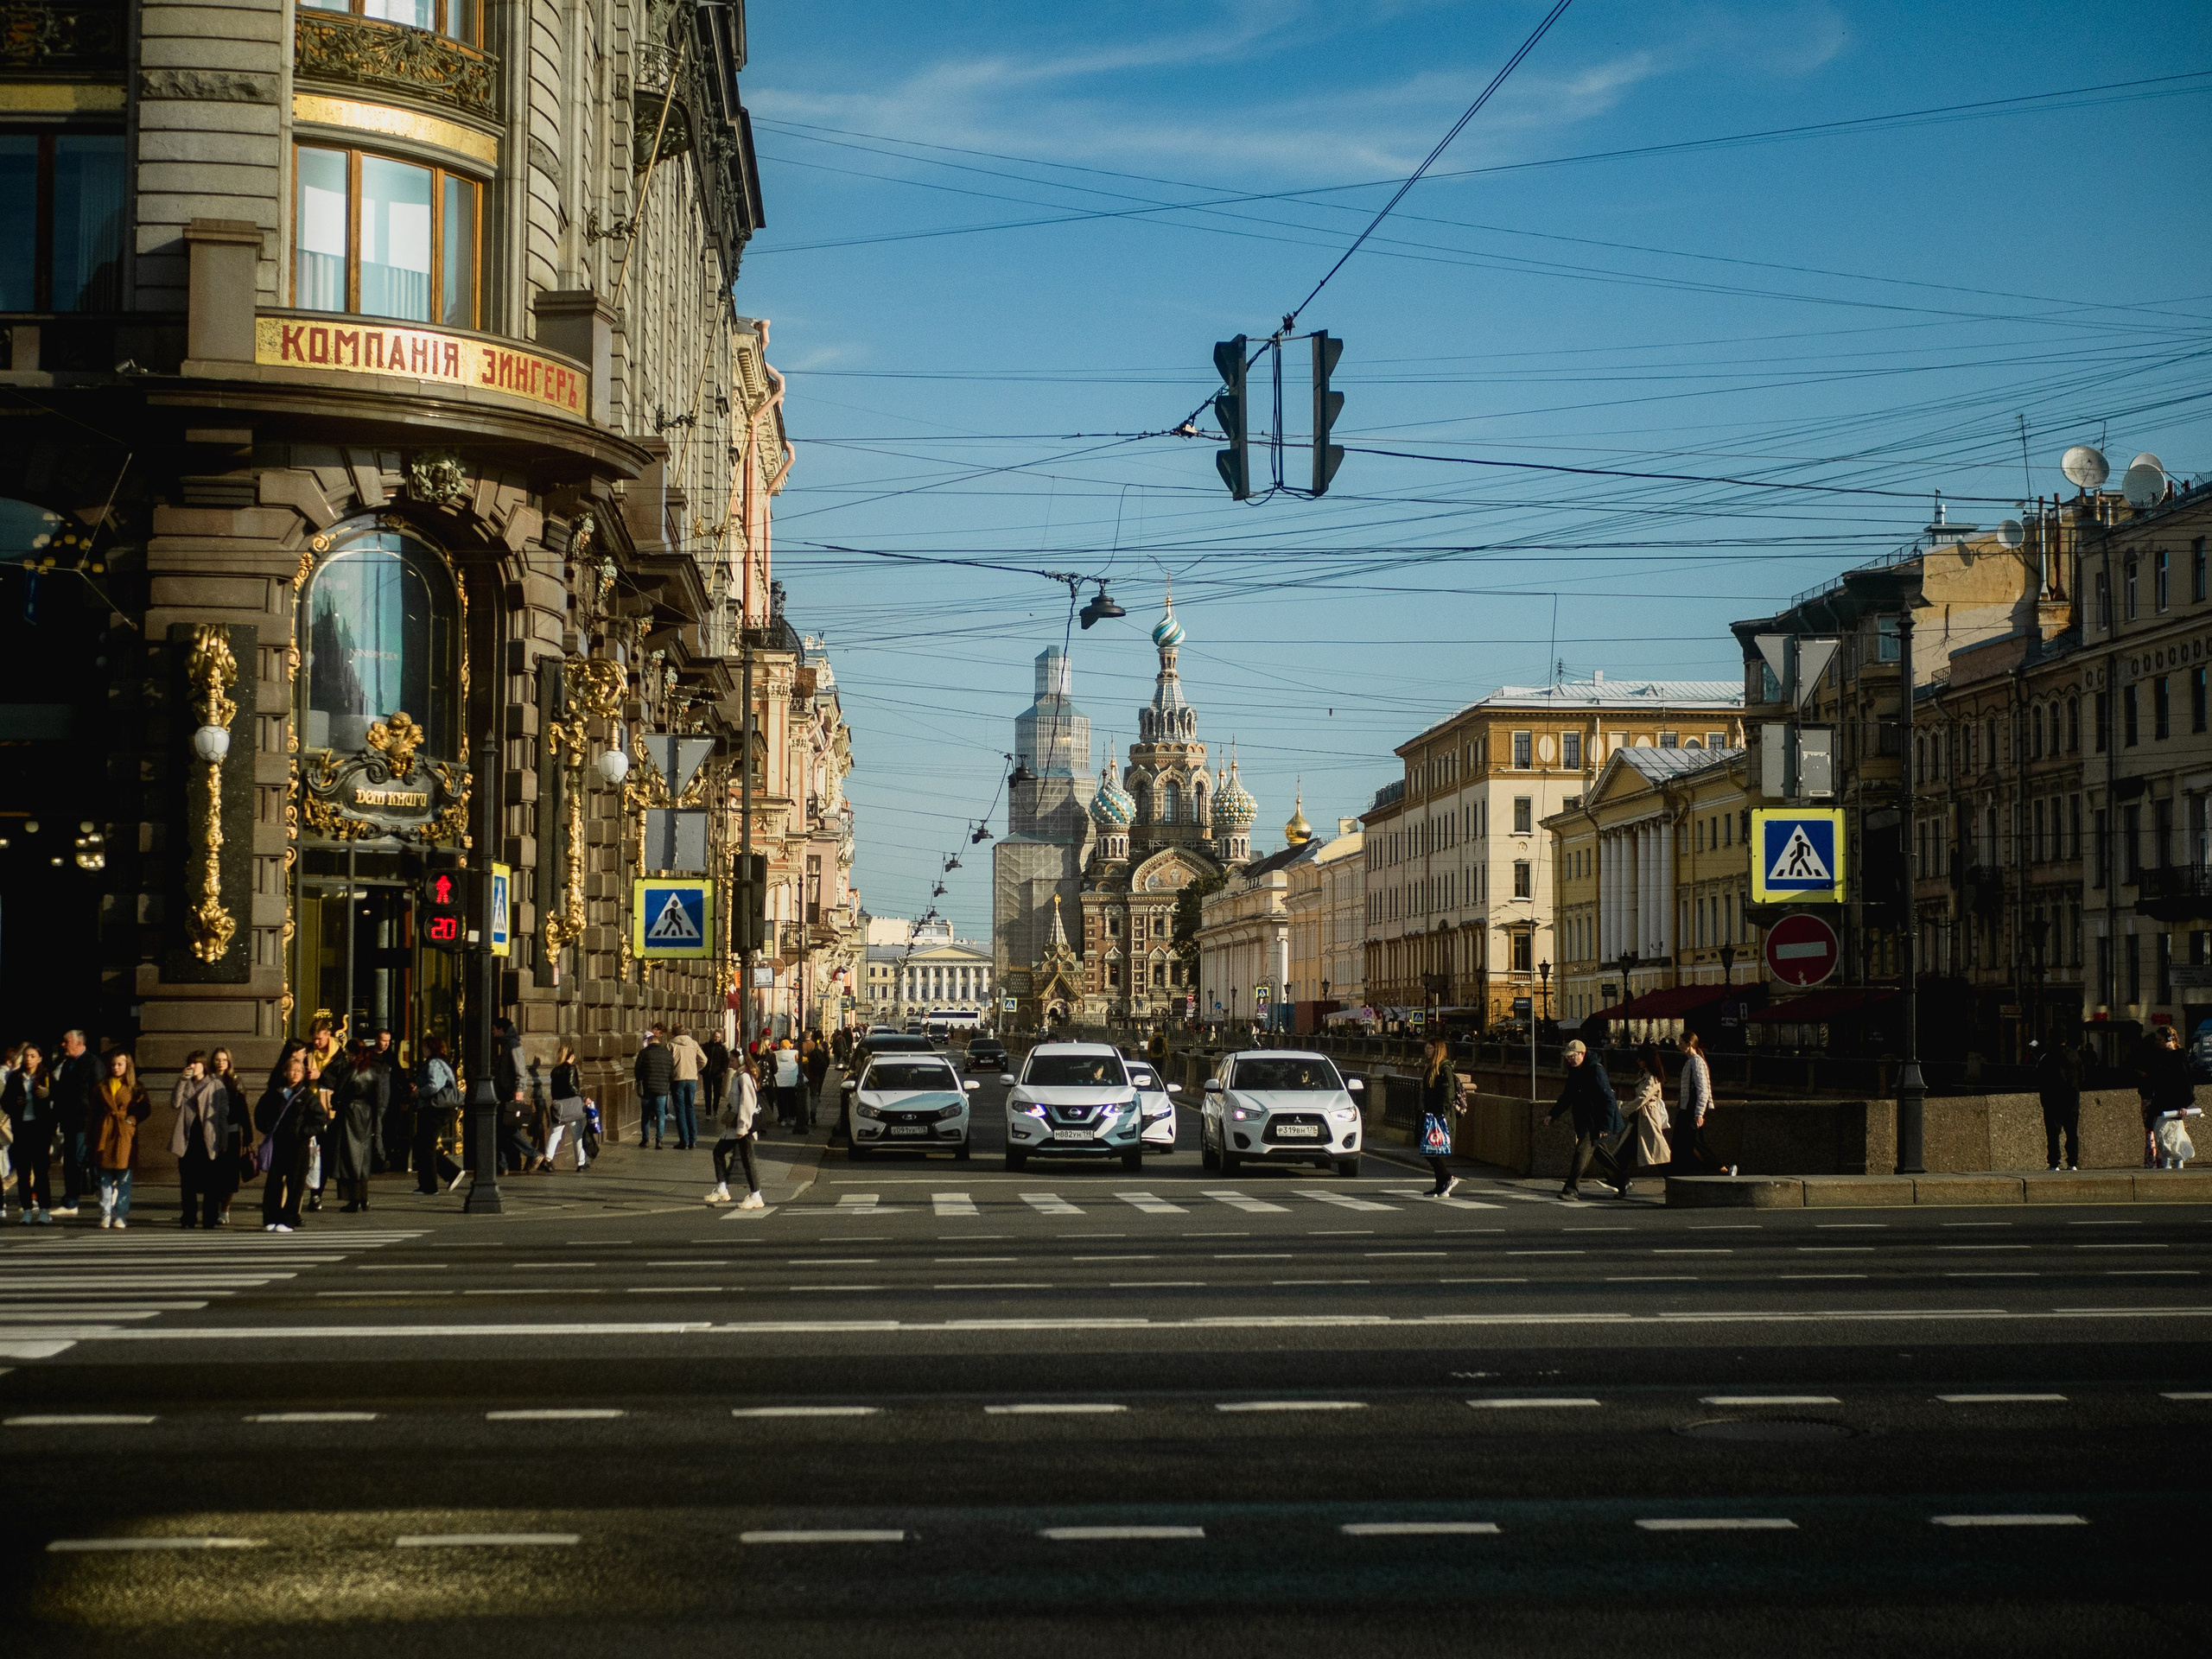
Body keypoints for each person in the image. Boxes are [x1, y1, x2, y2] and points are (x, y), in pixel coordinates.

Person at [258, 1041, 323, 1231]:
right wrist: (267, 1128)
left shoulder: (307, 1096)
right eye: (291, 1070)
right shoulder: (275, 1093)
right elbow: (261, 1113)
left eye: (298, 1071)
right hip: (278, 1143)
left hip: (298, 1144)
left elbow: (319, 1119)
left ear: (303, 1075)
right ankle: (270, 1218)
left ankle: (288, 1219)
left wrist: (303, 1132)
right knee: (274, 1182)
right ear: (285, 1072)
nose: (294, 1074)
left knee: (295, 1184)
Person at [1547, 1039, 1622, 1201]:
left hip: (1595, 1121)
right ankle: (1623, 1181)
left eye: (1572, 1056)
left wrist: (1605, 1127)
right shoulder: (1575, 1070)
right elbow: (1567, 1096)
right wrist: (1553, 1114)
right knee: (1600, 1153)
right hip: (1584, 1119)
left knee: (1581, 1152)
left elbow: (1609, 1099)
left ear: (1582, 1053)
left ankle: (1571, 1189)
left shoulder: (1596, 1070)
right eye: (1567, 1057)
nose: (1568, 1059)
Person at [170, 1051, 232, 1230]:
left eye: (196, 1063)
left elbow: (222, 1115)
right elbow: (174, 1103)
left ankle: (209, 1217)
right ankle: (188, 1217)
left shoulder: (215, 1084)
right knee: (187, 1181)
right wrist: (182, 1081)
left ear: (203, 1065)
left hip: (208, 1137)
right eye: (190, 1063)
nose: (192, 1066)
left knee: (211, 1181)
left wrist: (223, 1140)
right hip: (188, 1136)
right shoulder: (185, 1083)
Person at [92, 1048, 151, 1230]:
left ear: (127, 1065)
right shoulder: (102, 1086)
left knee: (124, 1176)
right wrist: (90, 1137)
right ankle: (105, 1213)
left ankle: (121, 1215)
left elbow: (145, 1108)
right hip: (105, 1132)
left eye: (120, 1064)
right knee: (104, 1177)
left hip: (124, 1133)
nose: (116, 1068)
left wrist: (131, 1120)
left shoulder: (135, 1087)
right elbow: (92, 1113)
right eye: (113, 1064)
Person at [1610, 1046, 1672, 1199]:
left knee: (1658, 1155)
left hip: (1647, 1120)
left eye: (1641, 1059)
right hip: (1640, 1120)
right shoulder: (1644, 1075)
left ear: (1647, 1060)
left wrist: (1622, 1111)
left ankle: (1673, 1181)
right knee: (1626, 1152)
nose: (1638, 1062)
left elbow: (1641, 1099)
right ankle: (1621, 1182)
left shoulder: (1652, 1078)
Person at [330, 1038, 385, 1212]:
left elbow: (337, 1094)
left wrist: (336, 1103)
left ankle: (353, 1198)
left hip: (349, 1114)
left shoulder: (350, 1070)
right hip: (366, 1115)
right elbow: (378, 1098)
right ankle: (363, 1197)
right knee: (362, 1158)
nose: (346, 1056)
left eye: (348, 1053)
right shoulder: (372, 1071)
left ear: (352, 1053)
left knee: (348, 1158)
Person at [48, 1028, 99, 1219]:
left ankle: (74, 1200)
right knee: (71, 1162)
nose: (62, 1045)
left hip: (84, 1122)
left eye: (66, 1041)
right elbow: (61, 1096)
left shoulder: (92, 1063)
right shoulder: (68, 1064)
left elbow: (98, 1093)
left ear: (78, 1043)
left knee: (78, 1161)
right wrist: (54, 1121)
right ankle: (71, 1201)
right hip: (69, 1122)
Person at [705, 1052, 764, 1208]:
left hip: (743, 1126)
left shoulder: (744, 1077)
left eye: (732, 1060)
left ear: (741, 1060)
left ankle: (756, 1195)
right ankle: (722, 1188)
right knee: (718, 1152)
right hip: (735, 1125)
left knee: (748, 1160)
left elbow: (747, 1103)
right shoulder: (738, 1076)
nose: (729, 1063)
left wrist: (743, 1127)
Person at [3, 1041, 54, 1224]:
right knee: (23, 1171)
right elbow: (5, 1101)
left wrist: (48, 1094)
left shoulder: (46, 1076)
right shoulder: (15, 1077)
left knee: (41, 1171)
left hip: (40, 1129)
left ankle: (44, 1209)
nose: (28, 1060)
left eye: (32, 1056)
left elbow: (59, 1098)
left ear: (39, 1059)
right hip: (22, 1127)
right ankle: (26, 1209)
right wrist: (16, 1104)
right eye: (26, 1056)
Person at [1416, 1033, 1468, 1198]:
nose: (1427, 1050)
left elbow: (1448, 1095)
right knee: (1430, 1149)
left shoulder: (1444, 1068)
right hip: (1431, 1114)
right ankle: (1440, 1186)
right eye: (1426, 1048)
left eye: (1430, 1048)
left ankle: (1447, 1178)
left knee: (1432, 1151)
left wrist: (1440, 1116)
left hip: (1440, 1117)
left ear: (1438, 1049)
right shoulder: (1432, 1067)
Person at [411, 1036, 465, 1194]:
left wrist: (419, 1092)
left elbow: (435, 1085)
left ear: (430, 1047)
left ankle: (430, 1185)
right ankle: (450, 1172)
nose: (422, 1050)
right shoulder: (442, 1062)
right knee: (423, 1144)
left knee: (425, 1145)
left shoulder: (434, 1063)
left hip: (434, 1109)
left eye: (424, 1047)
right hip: (438, 1109)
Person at [207, 1047, 252, 1224]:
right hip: (212, 1133)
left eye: (224, 1059)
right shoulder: (207, 1080)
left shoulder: (235, 1081)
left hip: (232, 1132)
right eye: (218, 1059)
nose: (221, 1063)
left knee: (231, 1173)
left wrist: (248, 1134)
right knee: (214, 1171)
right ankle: (214, 1203)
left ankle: (225, 1209)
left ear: (229, 1062)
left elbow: (243, 1109)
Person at [1670, 1031, 1719, 1175]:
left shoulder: (1696, 1062)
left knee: (1687, 1144)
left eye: (1681, 1043)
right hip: (1686, 1108)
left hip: (1691, 1110)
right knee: (1683, 1144)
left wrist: (1699, 1114)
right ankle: (1684, 1176)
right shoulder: (1690, 1062)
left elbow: (1702, 1089)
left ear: (1689, 1044)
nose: (1678, 1045)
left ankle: (1718, 1167)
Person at [2035, 1036, 2083, 1173]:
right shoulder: (2075, 1056)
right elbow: (2082, 1077)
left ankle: (2054, 1163)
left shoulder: (2047, 1057)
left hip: (2052, 1099)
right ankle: (2072, 1162)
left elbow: (2038, 1078)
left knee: (2053, 1133)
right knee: (2072, 1132)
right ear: (2065, 1040)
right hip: (2071, 1099)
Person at [546, 1043, 591, 1171]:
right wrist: (583, 1098)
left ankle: (548, 1160)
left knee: (555, 1133)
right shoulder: (571, 1068)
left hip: (559, 1106)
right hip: (571, 1105)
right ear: (571, 1056)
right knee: (577, 1134)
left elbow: (553, 1091)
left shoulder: (554, 1070)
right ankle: (581, 1163)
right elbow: (572, 1087)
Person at [667, 1024, 706, 1151]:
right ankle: (693, 1140)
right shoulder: (693, 1043)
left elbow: (667, 1063)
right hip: (691, 1079)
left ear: (674, 1033)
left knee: (680, 1110)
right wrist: (695, 1069)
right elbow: (704, 1060)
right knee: (690, 1108)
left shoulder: (671, 1045)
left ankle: (683, 1141)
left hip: (677, 1079)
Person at [633, 1027, 674, 1148]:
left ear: (649, 1042)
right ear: (658, 1042)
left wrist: (639, 1080)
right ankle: (659, 1140)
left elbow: (637, 1070)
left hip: (647, 1088)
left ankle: (645, 1139)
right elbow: (671, 1072)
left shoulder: (644, 1053)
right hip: (662, 1089)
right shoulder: (667, 1053)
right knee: (661, 1114)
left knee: (645, 1114)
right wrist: (667, 1083)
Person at [802, 1034, 831, 1129]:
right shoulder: (817, 1046)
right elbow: (824, 1059)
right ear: (810, 1036)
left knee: (803, 1096)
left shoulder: (799, 1045)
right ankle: (813, 1113)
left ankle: (805, 1117)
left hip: (802, 1075)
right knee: (814, 1095)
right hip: (814, 1074)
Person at [774, 1039, 804, 1131]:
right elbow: (802, 1061)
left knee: (781, 1101)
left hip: (780, 1082)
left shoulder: (776, 1055)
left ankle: (782, 1118)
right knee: (792, 1100)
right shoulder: (794, 1054)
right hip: (791, 1081)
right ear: (787, 1047)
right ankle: (792, 1118)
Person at [702, 1033, 730, 1122]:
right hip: (707, 1073)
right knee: (707, 1093)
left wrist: (723, 1071)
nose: (716, 1038)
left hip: (717, 1073)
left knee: (717, 1092)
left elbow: (726, 1061)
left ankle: (715, 1108)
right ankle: (708, 1112)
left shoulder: (722, 1048)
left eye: (718, 1037)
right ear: (712, 1036)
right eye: (715, 1036)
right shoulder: (706, 1046)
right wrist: (702, 1069)